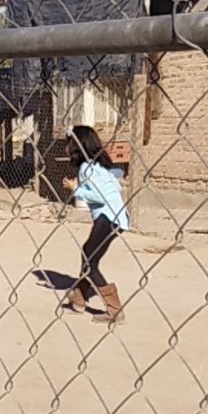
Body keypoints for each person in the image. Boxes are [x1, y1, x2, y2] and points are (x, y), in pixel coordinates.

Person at [60, 125, 130, 326]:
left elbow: (99, 196)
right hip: (115, 218)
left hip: (108, 218)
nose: (65, 148)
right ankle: (79, 298)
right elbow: (114, 187)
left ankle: (114, 310)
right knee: (89, 256)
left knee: (90, 260)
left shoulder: (86, 168)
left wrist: (76, 189)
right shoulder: (98, 166)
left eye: (68, 143)